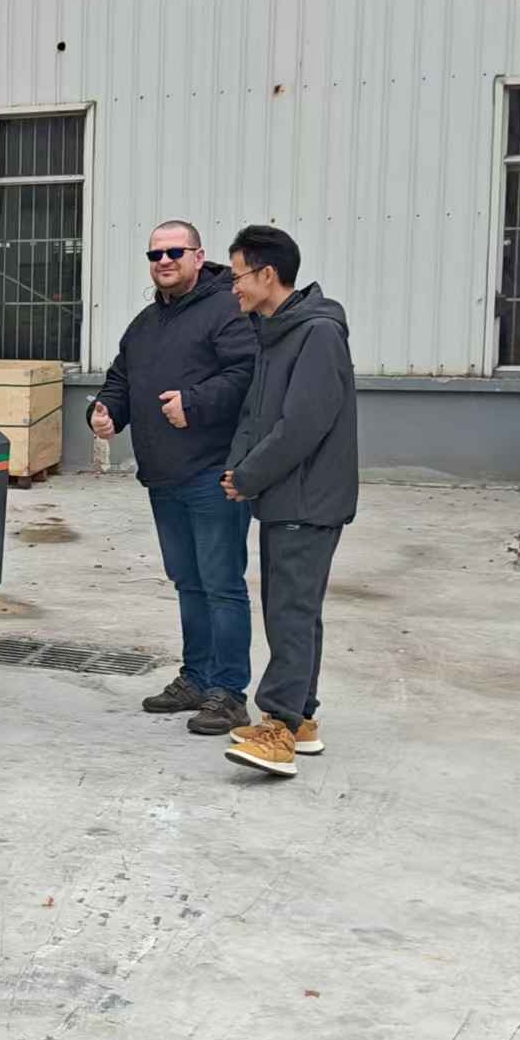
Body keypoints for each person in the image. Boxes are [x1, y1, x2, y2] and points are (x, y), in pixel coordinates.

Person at [90, 219, 259, 736]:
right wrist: (106, 411)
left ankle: (229, 692)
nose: (163, 261)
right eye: (155, 254)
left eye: (174, 252)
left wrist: (195, 402)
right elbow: (121, 378)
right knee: (188, 581)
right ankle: (197, 677)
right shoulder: (145, 324)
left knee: (221, 584)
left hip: (213, 473)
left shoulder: (227, 309)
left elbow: (247, 373)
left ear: (198, 256)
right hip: (164, 476)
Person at [217, 225, 357, 778]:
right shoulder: (276, 332)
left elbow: (303, 424)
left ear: (268, 274)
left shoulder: (317, 334)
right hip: (286, 495)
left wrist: (251, 475)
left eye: (238, 276)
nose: (234, 287)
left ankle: (277, 728)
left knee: (290, 613)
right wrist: (240, 469)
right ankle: (302, 720)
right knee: (295, 609)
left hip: (307, 498)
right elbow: (258, 414)